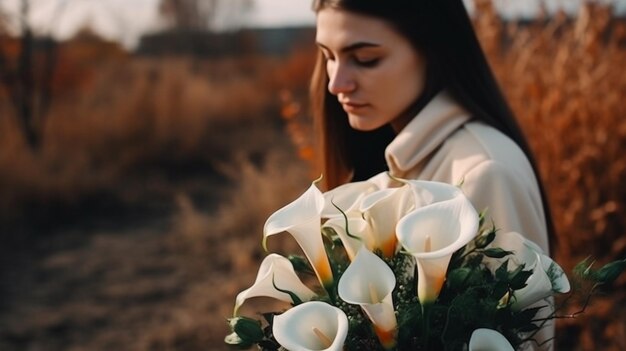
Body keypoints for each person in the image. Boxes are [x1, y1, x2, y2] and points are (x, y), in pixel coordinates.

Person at [310, 0, 556, 349]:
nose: (336, 83)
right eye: (328, 56)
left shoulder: (485, 172)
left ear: (434, 49)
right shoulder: (399, 157)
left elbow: (525, 338)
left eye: (366, 59)